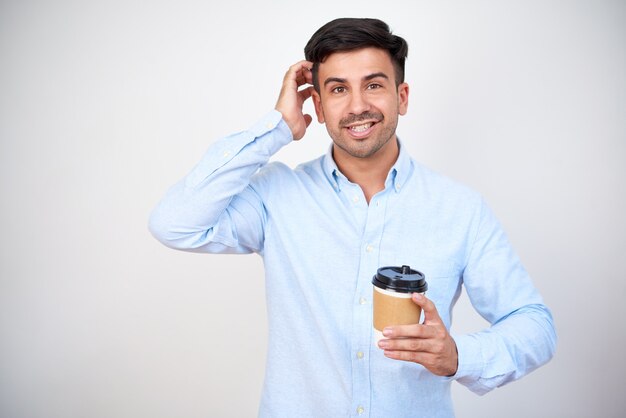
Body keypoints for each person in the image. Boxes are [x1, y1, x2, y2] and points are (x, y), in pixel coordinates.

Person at [149, 17, 556, 418]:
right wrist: (277, 128)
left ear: (403, 96)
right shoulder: (276, 196)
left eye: (374, 85)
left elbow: (533, 325)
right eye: (338, 89)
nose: (358, 106)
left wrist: (457, 356)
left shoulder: (461, 209)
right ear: (319, 108)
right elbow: (174, 223)